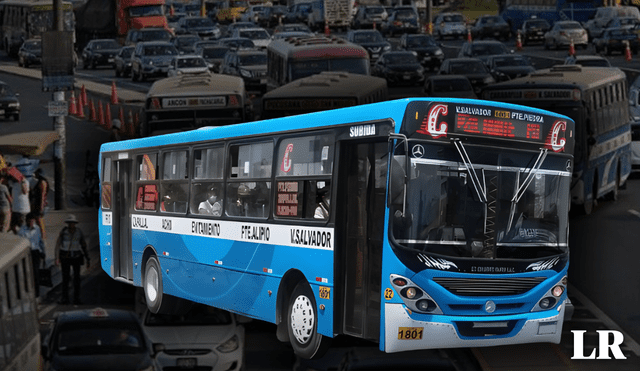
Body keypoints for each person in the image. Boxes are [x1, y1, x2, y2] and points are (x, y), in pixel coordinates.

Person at [55, 214, 89, 305]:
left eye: (73, 223)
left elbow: (83, 245)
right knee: (65, 279)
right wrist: (57, 258)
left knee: (77, 279)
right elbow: (58, 245)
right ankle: (65, 298)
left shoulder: (79, 232)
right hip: (65, 257)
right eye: (70, 223)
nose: (71, 225)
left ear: (75, 224)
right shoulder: (63, 232)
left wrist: (87, 258)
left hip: (76, 257)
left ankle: (76, 298)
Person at [18, 212, 45, 297]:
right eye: (29, 221)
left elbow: (40, 241)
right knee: (27, 273)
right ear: (26, 221)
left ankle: (36, 293)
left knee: (36, 273)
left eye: (32, 221)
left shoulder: (37, 229)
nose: (31, 223)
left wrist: (43, 252)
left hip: (36, 252)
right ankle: (27, 292)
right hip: (27, 253)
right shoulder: (22, 231)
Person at [30, 168, 49, 238]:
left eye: (36, 173)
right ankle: (39, 237)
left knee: (40, 222)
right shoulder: (39, 182)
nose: (35, 174)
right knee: (36, 221)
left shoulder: (42, 182)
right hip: (37, 204)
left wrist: (41, 207)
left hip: (39, 204)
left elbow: (42, 195)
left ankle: (43, 238)